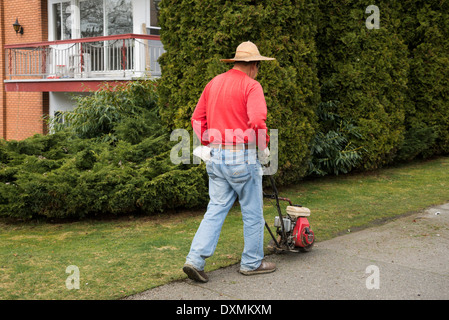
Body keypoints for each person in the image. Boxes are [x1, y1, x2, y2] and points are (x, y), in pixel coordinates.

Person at [183, 41, 276, 283]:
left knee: (215, 209)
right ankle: (252, 263)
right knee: (253, 212)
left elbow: (196, 118)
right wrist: (264, 147)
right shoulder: (252, 86)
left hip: (215, 156)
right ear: (254, 65)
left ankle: (194, 260)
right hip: (242, 157)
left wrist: (209, 141)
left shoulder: (214, 83)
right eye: (258, 66)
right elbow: (256, 121)